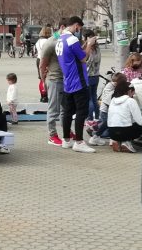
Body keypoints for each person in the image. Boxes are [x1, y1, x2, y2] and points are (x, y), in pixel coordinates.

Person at [56, 16, 96, 153]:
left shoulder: (60, 39)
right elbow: (83, 58)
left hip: (67, 81)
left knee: (67, 112)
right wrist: (89, 44)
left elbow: (74, 55)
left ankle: (66, 139)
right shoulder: (72, 39)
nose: (79, 31)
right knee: (81, 112)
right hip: (79, 81)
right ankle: (79, 141)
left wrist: (84, 46)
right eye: (79, 28)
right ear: (76, 26)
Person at [39, 24, 64, 146]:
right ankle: (52, 135)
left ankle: (67, 131)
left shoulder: (65, 40)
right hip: (54, 79)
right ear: (63, 27)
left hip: (64, 79)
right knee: (54, 109)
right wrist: (43, 80)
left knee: (66, 108)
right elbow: (42, 63)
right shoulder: (50, 42)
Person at [107, 78, 142, 153]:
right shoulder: (131, 101)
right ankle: (126, 142)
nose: (133, 95)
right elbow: (140, 121)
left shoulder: (113, 100)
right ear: (130, 91)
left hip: (111, 132)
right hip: (125, 132)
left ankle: (116, 141)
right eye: (133, 93)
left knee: (123, 124)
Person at [83, 29, 101, 120]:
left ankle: (89, 118)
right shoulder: (97, 48)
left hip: (88, 75)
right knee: (94, 97)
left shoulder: (88, 49)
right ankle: (97, 116)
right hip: (96, 75)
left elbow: (85, 61)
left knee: (88, 98)